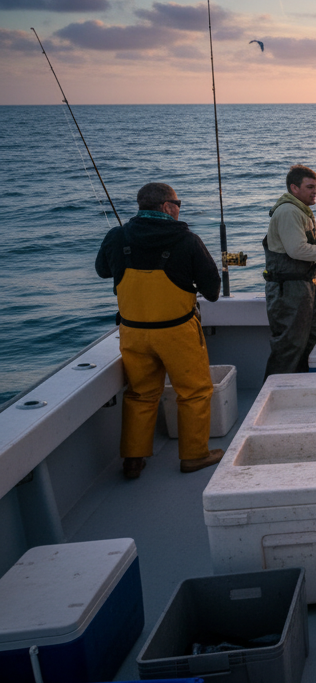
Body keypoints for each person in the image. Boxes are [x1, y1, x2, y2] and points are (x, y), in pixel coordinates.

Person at [95, 183, 223, 479]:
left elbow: (103, 270)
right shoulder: (188, 239)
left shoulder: (117, 236)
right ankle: (194, 455)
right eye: (178, 202)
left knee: (140, 394)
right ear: (166, 207)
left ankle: (132, 460)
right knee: (193, 393)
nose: (179, 207)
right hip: (177, 333)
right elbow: (213, 292)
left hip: (133, 334)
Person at [262, 165, 316, 377]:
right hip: (289, 292)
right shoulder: (288, 211)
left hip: (305, 287)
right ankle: (276, 395)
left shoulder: (298, 210)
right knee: (290, 347)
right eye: (310, 187)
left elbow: (304, 245)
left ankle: (308, 390)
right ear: (294, 188)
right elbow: (296, 250)